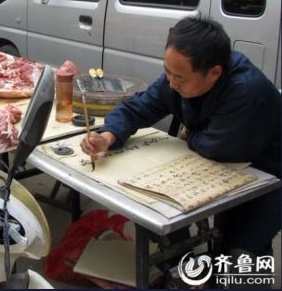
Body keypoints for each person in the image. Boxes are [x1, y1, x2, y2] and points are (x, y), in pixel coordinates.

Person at [81, 16, 281, 259]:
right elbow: (138, 107)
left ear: (215, 73)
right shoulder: (176, 78)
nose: (171, 82)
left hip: (270, 175)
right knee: (174, 225)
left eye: (180, 77)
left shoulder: (247, 91)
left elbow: (218, 147)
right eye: (167, 72)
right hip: (225, 169)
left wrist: (192, 135)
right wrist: (108, 136)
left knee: (243, 250)